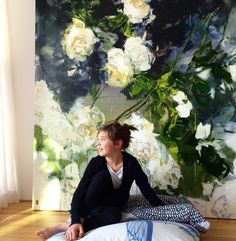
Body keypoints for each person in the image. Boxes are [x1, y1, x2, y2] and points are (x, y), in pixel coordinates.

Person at [36, 122, 164, 241]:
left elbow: (145, 188)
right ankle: (75, 222)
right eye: (98, 140)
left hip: (110, 207)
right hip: (90, 206)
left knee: (115, 216)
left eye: (102, 140)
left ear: (118, 144)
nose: (98, 144)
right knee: (101, 177)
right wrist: (76, 219)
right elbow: (80, 191)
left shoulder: (131, 163)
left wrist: (161, 208)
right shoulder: (96, 163)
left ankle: (66, 226)